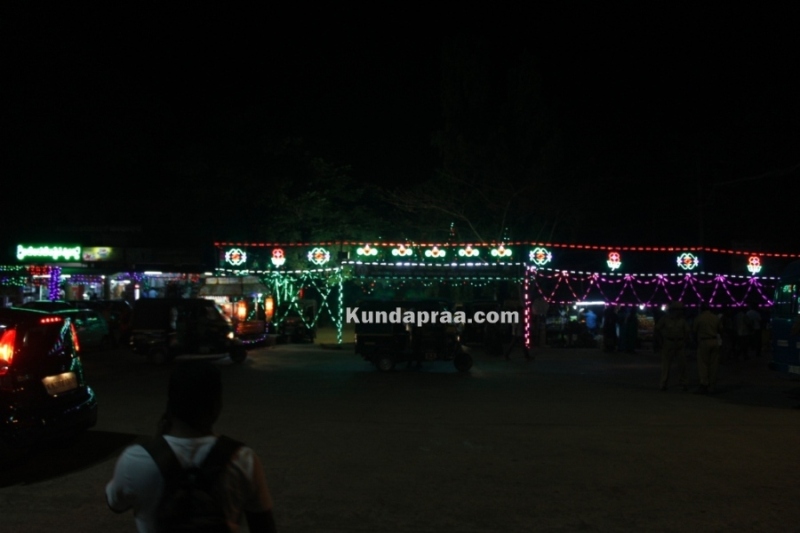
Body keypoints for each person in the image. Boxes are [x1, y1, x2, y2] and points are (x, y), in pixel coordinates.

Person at [106, 361, 277, 533]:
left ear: (170, 405)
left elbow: (115, 504)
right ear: (217, 406)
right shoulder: (243, 459)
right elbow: (263, 525)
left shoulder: (135, 459)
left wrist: (158, 443)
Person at [655, 301, 690, 391]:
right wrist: (660, 341)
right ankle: (663, 383)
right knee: (666, 365)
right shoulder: (665, 319)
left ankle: (684, 383)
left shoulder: (682, 320)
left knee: (682, 364)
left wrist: (684, 342)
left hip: (679, 343)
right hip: (668, 342)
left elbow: (687, 332)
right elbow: (657, 330)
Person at [693, 303, 723, 394]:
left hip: (703, 341)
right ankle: (712, 385)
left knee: (703, 364)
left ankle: (704, 383)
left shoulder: (699, 318)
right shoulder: (715, 318)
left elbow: (694, 331)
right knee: (714, 364)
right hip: (714, 340)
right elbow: (721, 330)